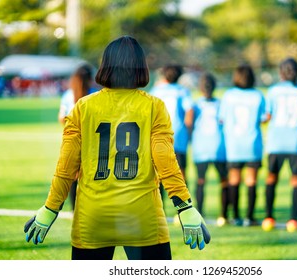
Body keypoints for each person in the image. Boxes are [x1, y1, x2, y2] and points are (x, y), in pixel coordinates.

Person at [24, 35, 210, 260]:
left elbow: (67, 167)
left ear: (105, 66)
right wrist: (184, 207)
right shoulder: (154, 106)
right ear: (141, 67)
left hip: (93, 217)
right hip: (142, 217)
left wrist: (50, 209)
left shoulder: (82, 107)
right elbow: (166, 162)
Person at [262, 57, 297, 232]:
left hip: (276, 142)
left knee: (271, 178)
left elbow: (267, 116)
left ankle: (268, 217)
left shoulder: (273, 91)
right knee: (296, 180)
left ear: (281, 72)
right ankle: (293, 220)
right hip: (296, 142)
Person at [219, 64, 266, 226]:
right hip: (253, 144)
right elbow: (264, 117)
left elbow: (222, 118)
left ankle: (236, 216)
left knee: (234, 180)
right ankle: (249, 217)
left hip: (234, 145)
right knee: (251, 180)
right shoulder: (258, 95)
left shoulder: (228, 96)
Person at [149, 64, 194, 204]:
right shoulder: (182, 91)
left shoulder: (156, 90)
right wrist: (189, 131)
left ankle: (159, 206)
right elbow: (189, 112)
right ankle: (182, 206)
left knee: (158, 173)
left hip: (158, 137)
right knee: (180, 172)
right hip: (178, 137)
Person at [57, 64, 95, 211]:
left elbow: (61, 117)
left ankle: (74, 210)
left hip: (72, 141)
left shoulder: (68, 95)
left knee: (73, 175)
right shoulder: (94, 94)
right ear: (90, 79)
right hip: (92, 141)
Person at [191, 73, 228, 220]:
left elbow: (189, 123)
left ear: (200, 88)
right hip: (219, 147)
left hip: (200, 149)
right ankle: (224, 215)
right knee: (223, 180)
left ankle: (199, 213)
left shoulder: (195, 105)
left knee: (201, 181)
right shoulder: (220, 104)